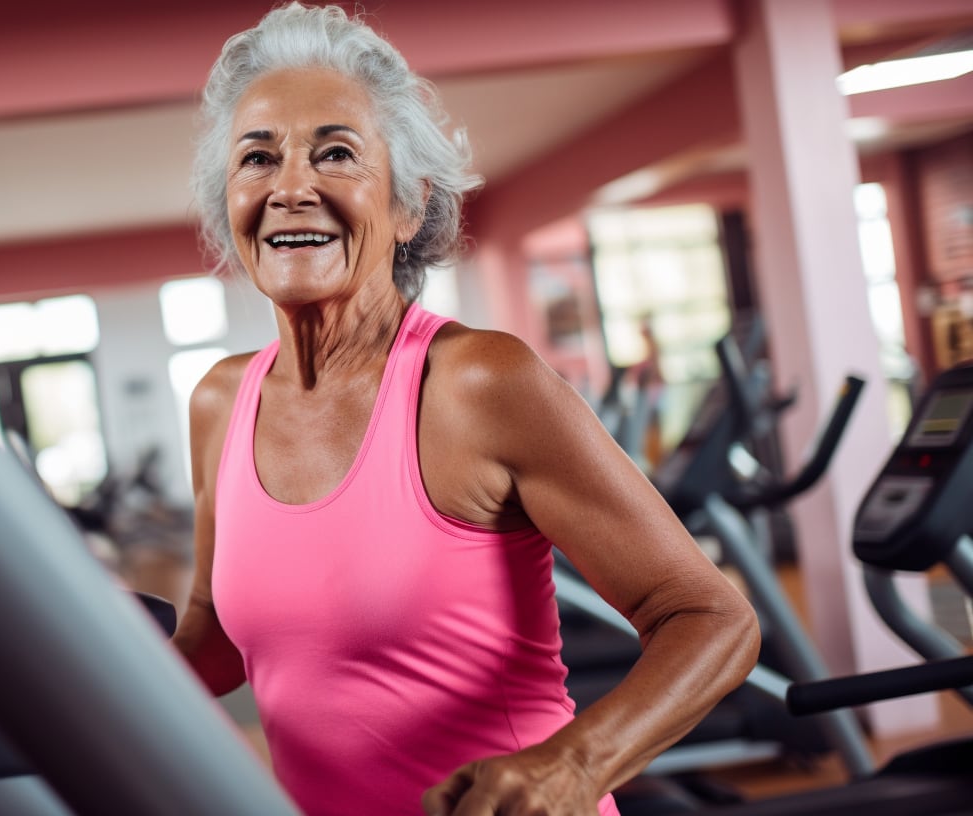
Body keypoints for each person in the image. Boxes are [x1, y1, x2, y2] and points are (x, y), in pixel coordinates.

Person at [169, 5, 759, 815]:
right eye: (257, 158)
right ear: (230, 204)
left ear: (409, 205)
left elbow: (710, 617)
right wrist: (40, 676)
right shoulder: (219, 401)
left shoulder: (478, 383)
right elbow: (213, 635)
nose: (291, 187)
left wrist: (576, 765)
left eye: (335, 153)